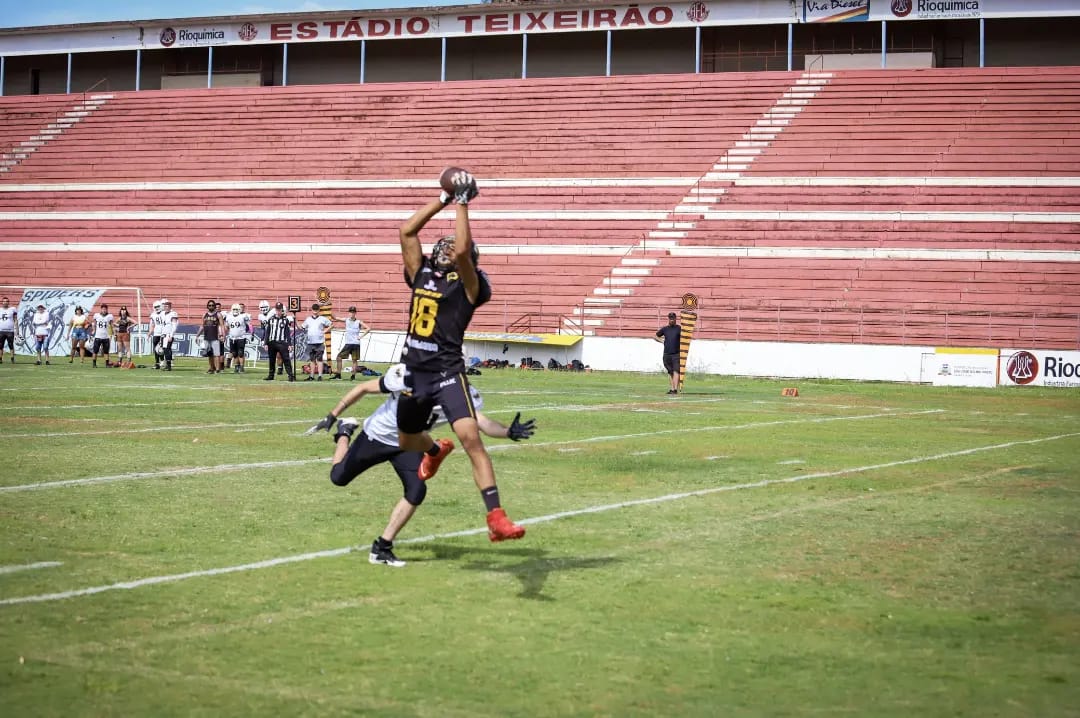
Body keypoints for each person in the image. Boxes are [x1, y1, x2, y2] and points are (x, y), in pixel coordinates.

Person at [395, 171, 526, 542]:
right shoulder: (420, 272)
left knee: (472, 439)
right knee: (408, 441)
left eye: (453, 246)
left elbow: (465, 252)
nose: (447, 247)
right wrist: (443, 198)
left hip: (447, 372)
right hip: (414, 373)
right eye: (446, 244)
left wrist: (464, 203)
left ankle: (496, 517)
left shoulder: (469, 286)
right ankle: (434, 451)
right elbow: (406, 231)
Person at [308, 363, 537, 566]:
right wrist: (333, 414)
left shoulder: (460, 394)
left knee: (417, 490)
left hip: (409, 443)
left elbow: (483, 423)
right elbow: (364, 387)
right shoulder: (408, 374)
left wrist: (508, 431)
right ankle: (344, 433)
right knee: (338, 477)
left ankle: (382, 547)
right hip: (377, 436)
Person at [333, 306, 369, 380]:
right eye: (350, 312)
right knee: (339, 357)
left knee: (354, 360)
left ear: (355, 313)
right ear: (348, 313)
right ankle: (338, 374)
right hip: (348, 343)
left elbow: (368, 328)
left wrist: (361, 336)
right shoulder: (346, 320)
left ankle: (353, 376)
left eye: (353, 312)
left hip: (355, 343)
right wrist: (328, 310)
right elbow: (335, 318)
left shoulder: (358, 321)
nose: (351, 313)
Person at [263, 301, 296, 381]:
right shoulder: (271, 320)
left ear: (282, 310)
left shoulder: (285, 320)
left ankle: (290, 375)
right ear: (275, 310)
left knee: (286, 359)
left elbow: (287, 333)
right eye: (277, 310)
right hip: (272, 342)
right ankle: (271, 375)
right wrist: (265, 343)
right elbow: (267, 332)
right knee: (272, 360)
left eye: (279, 310)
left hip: (282, 342)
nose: (278, 311)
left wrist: (289, 344)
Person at [300, 303, 332, 381]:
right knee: (312, 360)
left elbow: (331, 324)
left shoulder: (322, 319)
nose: (315, 311)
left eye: (316, 310)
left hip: (319, 342)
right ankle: (311, 376)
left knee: (319, 359)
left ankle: (320, 376)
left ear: (319, 310)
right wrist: (296, 321)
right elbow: (302, 327)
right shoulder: (308, 319)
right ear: (312, 310)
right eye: (314, 310)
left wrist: (325, 331)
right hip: (311, 342)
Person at [654, 312, 682, 395]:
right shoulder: (665, 329)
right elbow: (655, 336)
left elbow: (685, 337)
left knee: (676, 371)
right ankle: (672, 389)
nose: (671, 319)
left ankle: (675, 389)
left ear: (675, 318)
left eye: (673, 318)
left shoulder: (679, 328)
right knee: (670, 372)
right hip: (667, 354)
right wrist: (662, 341)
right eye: (670, 318)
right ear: (668, 319)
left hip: (676, 354)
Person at [195, 299, 224, 374]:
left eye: (212, 305)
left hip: (215, 336)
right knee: (209, 354)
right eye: (209, 305)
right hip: (207, 337)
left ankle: (217, 369)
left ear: (214, 306)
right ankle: (211, 368)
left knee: (216, 354)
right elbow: (202, 326)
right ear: (207, 306)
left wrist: (223, 335)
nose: (211, 306)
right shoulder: (205, 315)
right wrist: (197, 335)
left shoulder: (218, 314)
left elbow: (222, 325)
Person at [224, 303, 250, 373]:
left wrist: (252, 332)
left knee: (240, 353)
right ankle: (236, 367)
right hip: (232, 338)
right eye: (234, 309)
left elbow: (249, 325)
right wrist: (224, 335)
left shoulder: (243, 316)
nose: (235, 311)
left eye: (236, 309)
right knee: (234, 354)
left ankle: (241, 367)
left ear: (239, 310)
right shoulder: (229, 317)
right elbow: (226, 327)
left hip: (241, 337)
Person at [90, 302, 114, 368]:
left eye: (105, 309)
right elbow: (94, 324)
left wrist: (114, 333)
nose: (104, 310)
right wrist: (93, 330)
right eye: (103, 309)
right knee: (95, 351)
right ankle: (94, 364)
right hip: (98, 336)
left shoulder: (110, 316)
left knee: (106, 351)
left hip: (106, 336)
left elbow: (112, 325)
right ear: (101, 309)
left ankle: (107, 364)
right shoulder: (96, 315)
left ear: (107, 309)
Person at [159, 299, 178, 371]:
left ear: (170, 307)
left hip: (168, 334)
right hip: (163, 334)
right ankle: (167, 364)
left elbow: (174, 325)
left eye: (167, 306)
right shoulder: (163, 313)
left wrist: (171, 335)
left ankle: (169, 365)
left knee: (167, 349)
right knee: (164, 350)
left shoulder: (173, 314)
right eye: (165, 306)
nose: (166, 307)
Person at [148, 299, 164, 369]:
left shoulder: (164, 313)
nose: (156, 308)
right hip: (156, 333)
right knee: (155, 349)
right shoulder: (153, 315)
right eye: (155, 307)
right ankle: (157, 363)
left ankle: (163, 361)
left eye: (158, 306)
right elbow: (152, 325)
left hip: (163, 332)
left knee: (161, 348)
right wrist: (150, 332)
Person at [0, 296, 16, 363]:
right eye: (4, 301)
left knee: (10, 344)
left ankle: (12, 358)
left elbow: (15, 319)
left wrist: (17, 329)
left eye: (7, 301)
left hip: (10, 330)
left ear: (8, 302)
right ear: (2, 302)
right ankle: (0, 358)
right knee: (0, 345)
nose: (5, 303)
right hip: (1, 330)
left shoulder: (12, 309)